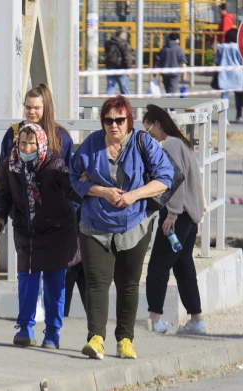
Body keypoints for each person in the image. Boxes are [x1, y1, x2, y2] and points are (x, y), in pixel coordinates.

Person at [70, 96, 173, 360]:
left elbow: (165, 178)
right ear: (102, 122)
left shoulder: (143, 142)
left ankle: (125, 340)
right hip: (94, 223)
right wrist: (100, 190)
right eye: (108, 120)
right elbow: (72, 178)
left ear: (129, 121)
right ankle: (96, 338)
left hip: (134, 222)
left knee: (128, 283)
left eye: (119, 120)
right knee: (96, 282)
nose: (114, 125)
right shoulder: (91, 145)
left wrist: (133, 196)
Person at [0, 123, 81, 349]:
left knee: (54, 283)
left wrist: (89, 189)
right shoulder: (10, 165)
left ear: (41, 143)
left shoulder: (55, 165)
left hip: (58, 230)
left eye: (32, 143)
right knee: (27, 280)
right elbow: (3, 194)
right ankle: (25, 327)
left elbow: (71, 190)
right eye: (23, 142)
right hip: (27, 230)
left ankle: (52, 331)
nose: (27, 147)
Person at [0, 84, 84, 320]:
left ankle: (53, 327)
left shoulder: (61, 136)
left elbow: (72, 181)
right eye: (28, 107)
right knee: (27, 273)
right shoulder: (13, 134)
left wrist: (72, 213)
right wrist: (5, 211)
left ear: (46, 108)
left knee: (54, 275)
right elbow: (4, 174)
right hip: (25, 221)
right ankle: (27, 321)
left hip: (57, 222)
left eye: (36, 107)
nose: (31, 112)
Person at [142, 104, 207, 335]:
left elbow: (174, 180)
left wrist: (171, 213)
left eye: (148, 131)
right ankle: (196, 319)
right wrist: (196, 211)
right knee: (183, 266)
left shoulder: (170, 144)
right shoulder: (183, 144)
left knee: (158, 267)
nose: (149, 137)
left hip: (176, 216)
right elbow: (194, 181)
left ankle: (155, 319)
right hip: (189, 216)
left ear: (157, 125)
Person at [215, 28, 243, 122]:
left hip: (224, 73)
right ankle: (239, 116)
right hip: (237, 73)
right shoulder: (239, 47)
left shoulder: (221, 47)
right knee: (238, 96)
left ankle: (225, 118)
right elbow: (242, 61)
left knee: (224, 96)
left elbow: (216, 60)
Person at [104, 28, 134, 95]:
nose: (126, 36)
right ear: (122, 35)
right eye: (125, 34)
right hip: (121, 68)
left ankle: (108, 103)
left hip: (110, 68)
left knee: (110, 88)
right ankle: (126, 104)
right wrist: (129, 69)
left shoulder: (108, 43)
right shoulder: (125, 44)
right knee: (124, 90)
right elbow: (128, 57)